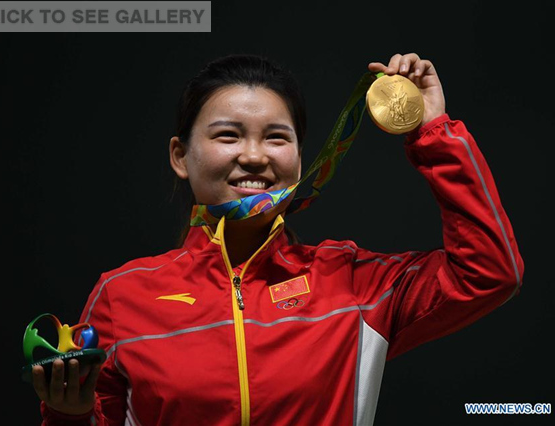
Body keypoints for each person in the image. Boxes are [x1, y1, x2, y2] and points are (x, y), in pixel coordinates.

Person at [32, 53, 524, 425]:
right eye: (228, 135)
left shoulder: (352, 284)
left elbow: (489, 272)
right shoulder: (124, 296)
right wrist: (67, 413)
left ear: (300, 157)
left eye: (276, 137)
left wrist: (433, 131)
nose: (254, 156)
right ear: (181, 156)